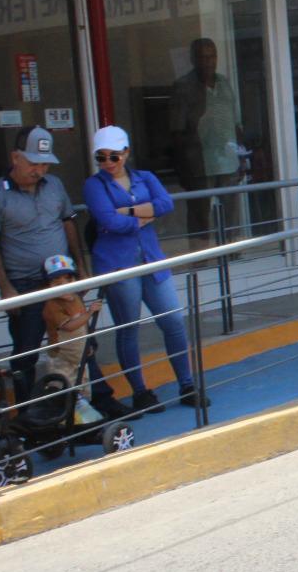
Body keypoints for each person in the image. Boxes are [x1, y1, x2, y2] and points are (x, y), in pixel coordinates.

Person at [0, 128, 125, 418]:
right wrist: (5, 288)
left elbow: (69, 223)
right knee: (26, 350)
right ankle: (28, 414)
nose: (39, 169)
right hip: (26, 284)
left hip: (63, 280)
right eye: (33, 162)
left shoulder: (54, 185)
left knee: (82, 341)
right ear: (15, 157)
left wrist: (80, 267)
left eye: (44, 163)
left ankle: (100, 400)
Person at [82, 125, 205, 413]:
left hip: (151, 259)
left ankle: (187, 384)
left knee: (173, 321)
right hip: (118, 264)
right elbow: (109, 221)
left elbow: (165, 204)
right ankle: (141, 392)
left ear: (126, 153)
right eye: (101, 157)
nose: (108, 163)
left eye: (113, 156)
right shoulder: (94, 185)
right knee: (129, 328)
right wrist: (141, 216)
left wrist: (127, 211)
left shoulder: (144, 177)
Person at [170, 37, 246, 239]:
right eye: (203, 57)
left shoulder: (225, 83)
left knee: (231, 214)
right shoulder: (183, 86)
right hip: (199, 164)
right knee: (200, 216)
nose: (208, 61)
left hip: (229, 161)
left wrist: (241, 157)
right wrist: (183, 169)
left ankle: (233, 253)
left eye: (212, 56)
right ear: (193, 59)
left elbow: (236, 123)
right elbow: (176, 132)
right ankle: (201, 259)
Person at [37, 254, 110, 427]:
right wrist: (90, 312)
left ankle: (78, 416)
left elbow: (82, 328)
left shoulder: (76, 298)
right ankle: (64, 420)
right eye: (57, 283)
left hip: (79, 353)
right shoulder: (52, 305)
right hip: (61, 356)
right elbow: (69, 326)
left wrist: (89, 343)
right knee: (63, 387)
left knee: (82, 385)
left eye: (68, 281)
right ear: (48, 286)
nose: (64, 287)